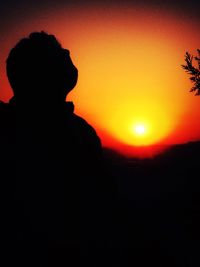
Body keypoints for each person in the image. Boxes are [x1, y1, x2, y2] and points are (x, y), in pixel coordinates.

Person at [0, 31, 109, 266]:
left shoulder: (81, 129)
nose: (68, 53)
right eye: (57, 52)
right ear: (37, 73)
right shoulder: (12, 130)